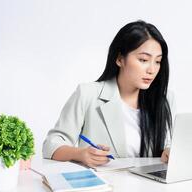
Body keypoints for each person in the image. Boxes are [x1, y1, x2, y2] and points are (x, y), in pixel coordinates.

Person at [42, 20, 176, 168]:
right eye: (143, 60)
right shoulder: (88, 94)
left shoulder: (165, 100)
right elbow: (51, 144)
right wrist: (81, 154)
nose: (152, 69)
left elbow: (168, 143)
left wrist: (168, 151)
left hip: (151, 188)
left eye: (158, 61)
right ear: (120, 59)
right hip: (104, 187)